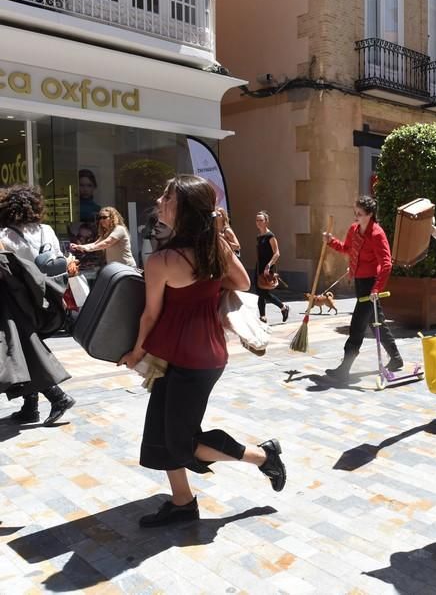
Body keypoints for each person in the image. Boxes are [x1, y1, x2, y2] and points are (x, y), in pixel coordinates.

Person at [118, 175, 286, 528]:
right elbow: (242, 282)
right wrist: (208, 280)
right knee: (159, 434)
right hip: (201, 355)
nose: (160, 200)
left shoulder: (162, 260)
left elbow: (150, 314)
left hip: (190, 361)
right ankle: (183, 502)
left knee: (182, 442)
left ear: (185, 210)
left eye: (168, 196)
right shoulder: (214, 247)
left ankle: (263, 456)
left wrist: (135, 353)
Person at [0, 184, 77, 425]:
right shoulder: (47, 230)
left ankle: (58, 397)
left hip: (19, 303)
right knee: (27, 347)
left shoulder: (4, 236)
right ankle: (30, 407)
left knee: (24, 347)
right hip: (49, 301)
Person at [323, 196, 403, 382]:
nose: (356, 217)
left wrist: (376, 289)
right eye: (355, 213)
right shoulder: (354, 229)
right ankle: (397, 358)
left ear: (370, 214)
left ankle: (345, 368)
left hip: (370, 284)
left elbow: (386, 263)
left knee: (357, 325)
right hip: (360, 282)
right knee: (377, 322)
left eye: (359, 214)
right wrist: (330, 241)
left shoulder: (377, 234)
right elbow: (347, 249)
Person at [69, 206, 137, 267]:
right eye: (100, 218)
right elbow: (95, 244)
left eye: (104, 217)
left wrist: (87, 249)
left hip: (127, 267)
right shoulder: (107, 232)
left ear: (113, 218)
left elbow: (106, 243)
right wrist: (79, 247)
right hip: (116, 268)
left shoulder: (119, 229)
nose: (101, 220)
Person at [254, 211, 290, 324]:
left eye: (261, 220)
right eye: (257, 220)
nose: (258, 222)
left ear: (266, 222)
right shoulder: (259, 236)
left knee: (263, 292)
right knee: (260, 290)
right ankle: (263, 316)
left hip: (268, 267)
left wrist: (269, 266)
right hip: (259, 267)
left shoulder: (270, 236)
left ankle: (283, 307)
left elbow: (277, 253)